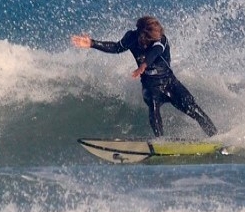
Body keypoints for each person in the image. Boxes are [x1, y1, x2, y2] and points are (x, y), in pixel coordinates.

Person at [72, 16, 217, 138]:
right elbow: (116, 48)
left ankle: (215, 137)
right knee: (153, 110)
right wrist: (92, 43)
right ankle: (161, 142)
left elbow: (155, 51)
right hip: (150, 86)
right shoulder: (131, 37)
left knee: (195, 110)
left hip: (170, 83)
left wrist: (143, 66)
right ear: (142, 36)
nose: (156, 38)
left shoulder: (161, 39)